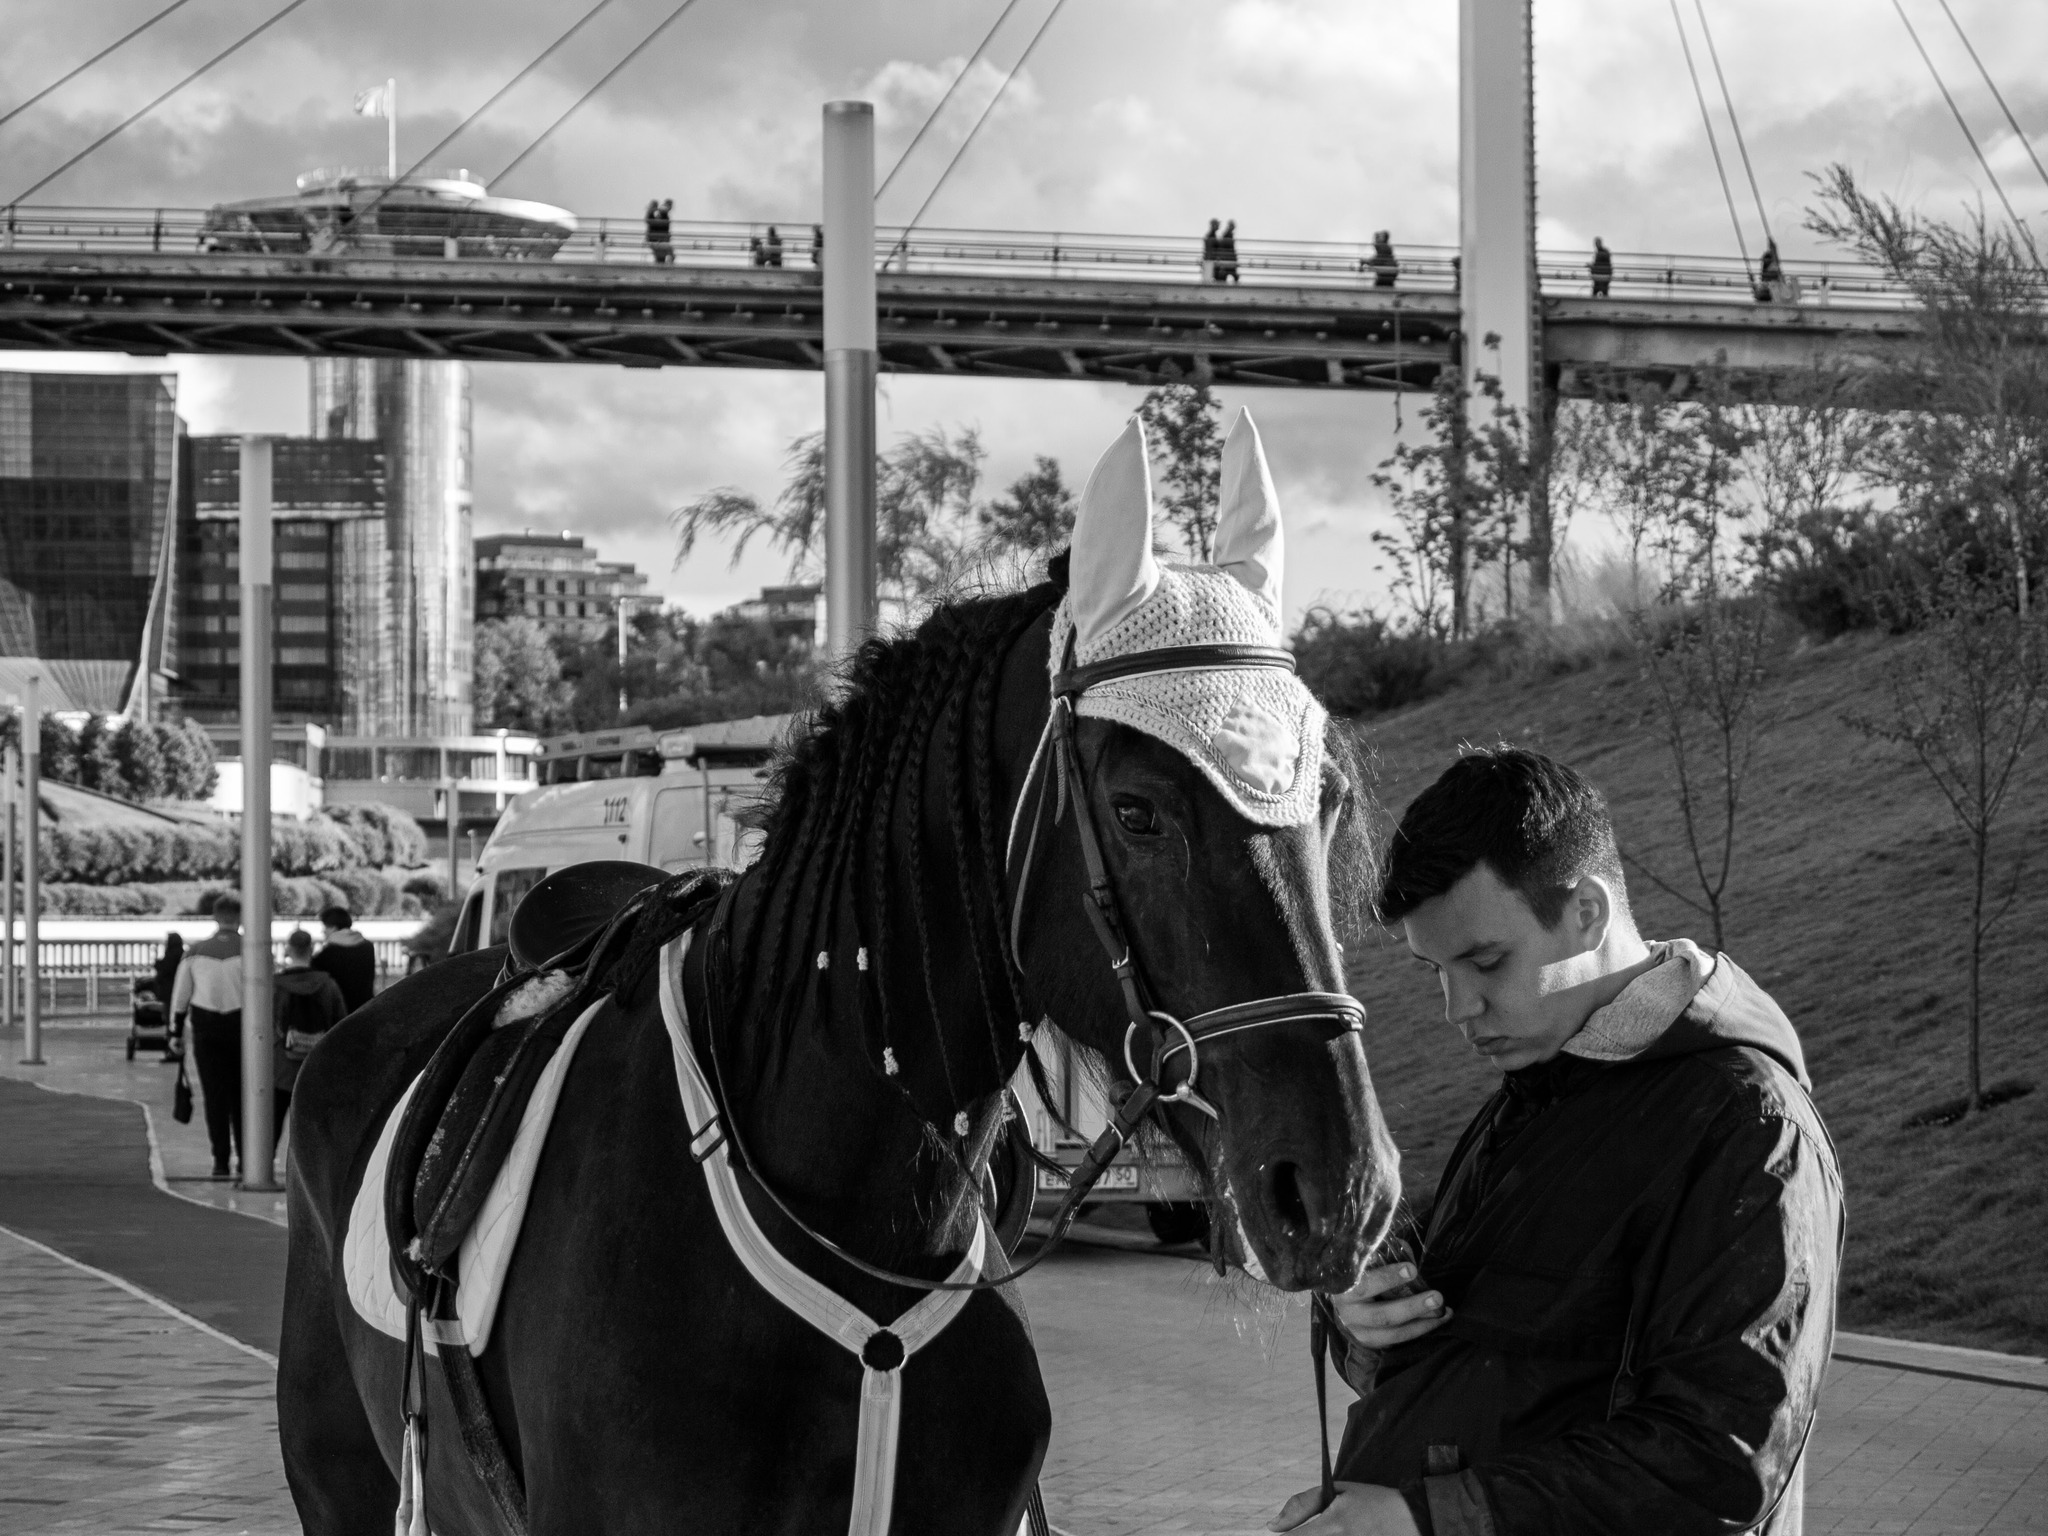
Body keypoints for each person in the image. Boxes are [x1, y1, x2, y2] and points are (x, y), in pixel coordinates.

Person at [1273, 747, 1842, 1536]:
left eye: (1484, 962)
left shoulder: (1744, 1123)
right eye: (1433, 971)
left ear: (1587, 914)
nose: (1456, 1008)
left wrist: (1421, 1521)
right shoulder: (1544, 1088)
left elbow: (1722, 1463)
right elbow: (1488, 1367)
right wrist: (1362, 1319)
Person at [171, 893, 256, 1179]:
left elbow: (180, 998)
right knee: (244, 1097)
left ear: (215, 917)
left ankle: (220, 1161)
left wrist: (175, 1032)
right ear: (241, 917)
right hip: (243, 1030)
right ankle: (248, 1161)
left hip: (206, 1031)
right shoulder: (253, 950)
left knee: (215, 1097)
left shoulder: (194, 952)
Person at [272, 929, 347, 1169]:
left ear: (287, 949)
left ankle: (263, 1164)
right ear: (311, 950)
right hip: (317, 1066)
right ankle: (312, 1170)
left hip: (282, 1066)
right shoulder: (328, 985)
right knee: (313, 1125)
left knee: (273, 1120)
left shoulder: (276, 986)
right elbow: (341, 1023)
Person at [311, 905, 376, 1016]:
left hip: (339, 1013)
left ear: (333, 928)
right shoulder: (368, 947)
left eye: (325, 927)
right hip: (365, 1008)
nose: (323, 931)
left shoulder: (327, 954)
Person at [140, 931, 185, 1060]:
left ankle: (172, 1051)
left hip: (169, 993)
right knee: (176, 1021)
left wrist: (156, 960)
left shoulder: (172, 955)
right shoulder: (182, 954)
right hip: (178, 992)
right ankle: (177, 1049)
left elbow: (163, 969)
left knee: (170, 1022)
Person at [1758, 236, 1783, 302]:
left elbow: (1775, 256)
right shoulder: (1768, 269)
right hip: (1770, 292)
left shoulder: (1772, 266)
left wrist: (1772, 246)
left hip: (1772, 291)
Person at [1201, 217, 1221, 282]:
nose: (1218, 226)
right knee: (1210, 278)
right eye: (1217, 224)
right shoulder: (1211, 235)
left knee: (1210, 277)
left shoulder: (1211, 235)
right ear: (1213, 225)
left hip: (1210, 259)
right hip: (1210, 259)